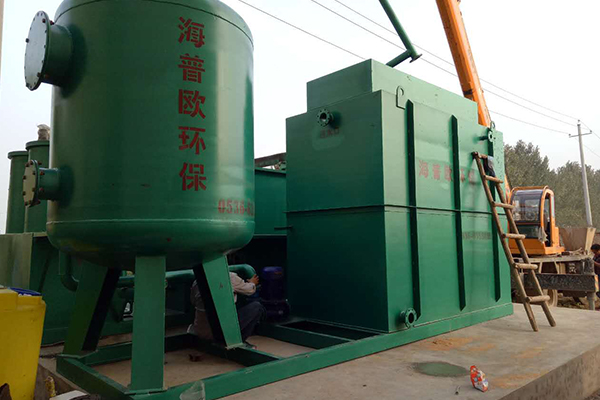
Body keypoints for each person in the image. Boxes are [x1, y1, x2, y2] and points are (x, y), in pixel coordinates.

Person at [188, 272, 266, 347]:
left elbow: (193, 301)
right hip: (221, 334)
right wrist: (252, 283)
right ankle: (237, 341)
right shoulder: (229, 276)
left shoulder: (197, 281)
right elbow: (249, 290)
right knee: (257, 307)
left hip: (201, 331)